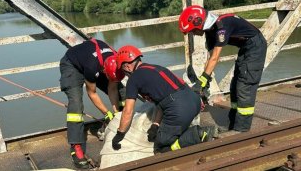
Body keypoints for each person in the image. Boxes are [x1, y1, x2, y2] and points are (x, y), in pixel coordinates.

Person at [178, 5, 267, 134]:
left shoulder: (221, 28)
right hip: (245, 48)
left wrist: (201, 82)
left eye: (193, 30)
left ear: (199, 22)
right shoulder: (210, 31)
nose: (193, 34)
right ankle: (234, 123)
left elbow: (215, 58)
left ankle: (242, 129)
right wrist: (204, 81)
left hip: (255, 47)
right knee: (234, 86)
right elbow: (209, 58)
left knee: (245, 86)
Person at [110, 45, 216, 153]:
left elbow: (128, 111)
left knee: (160, 147)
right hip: (194, 99)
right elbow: (162, 101)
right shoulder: (155, 68)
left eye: (123, 70)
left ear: (127, 66)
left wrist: (119, 134)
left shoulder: (133, 79)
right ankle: (190, 133)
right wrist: (155, 125)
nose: (125, 74)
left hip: (179, 108)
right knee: (167, 132)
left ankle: (197, 134)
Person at [59, 38, 125, 169]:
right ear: (104, 71)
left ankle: (123, 123)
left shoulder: (116, 59)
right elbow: (92, 93)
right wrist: (107, 113)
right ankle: (76, 146)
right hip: (71, 65)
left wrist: (116, 113)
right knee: (76, 104)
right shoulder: (91, 67)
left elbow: (112, 88)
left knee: (122, 91)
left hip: (97, 62)